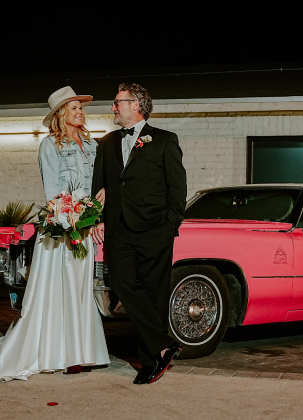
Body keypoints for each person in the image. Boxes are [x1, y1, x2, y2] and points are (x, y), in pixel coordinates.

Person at [0, 86, 110, 382]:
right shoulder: (50, 145)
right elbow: (53, 193)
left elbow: (99, 184)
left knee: (80, 287)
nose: (80, 112)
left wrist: (96, 213)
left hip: (84, 227)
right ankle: (63, 354)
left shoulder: (93, 145)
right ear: (62, 114)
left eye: (81, 108)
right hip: (61, 229)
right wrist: (68, 221)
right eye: (74, 108)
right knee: (61, 287)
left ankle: (82, 351)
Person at [91, 83, 187, 385]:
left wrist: (170, 224)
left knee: (155, 293)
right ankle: (164, 343)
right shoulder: (105, 143)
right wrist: (98, 217)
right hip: (119, 229)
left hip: (155, 229)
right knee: (119, 283)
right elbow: (100, 185)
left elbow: (178, 187)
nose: (113, 108)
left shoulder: (164, 140)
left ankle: (151, 361)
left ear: (137, 105)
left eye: (118, 102)